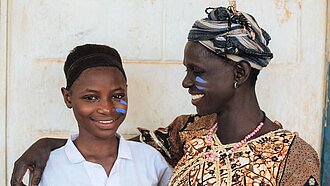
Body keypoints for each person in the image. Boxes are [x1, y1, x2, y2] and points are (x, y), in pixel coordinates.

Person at [11, 6, 320, 186]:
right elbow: (105, 143)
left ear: (239, 74)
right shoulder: (187, 132)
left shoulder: (293, 157)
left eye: (197, 71)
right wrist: (47, 146)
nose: (186, 82)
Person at [17, 44, 172, 186]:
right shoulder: (47, 168)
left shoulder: (150, 161)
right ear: (68, 97)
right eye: (90, 98)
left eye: (117, 96)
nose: (107, 109)